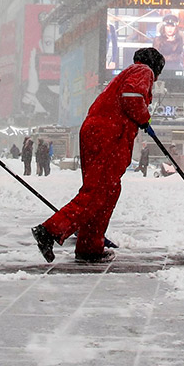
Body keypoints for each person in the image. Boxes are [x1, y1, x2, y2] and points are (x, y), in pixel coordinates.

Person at [33, 47, 163, 264]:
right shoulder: (143, 71)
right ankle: (50, 230)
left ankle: (90, 246)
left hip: (101, 132)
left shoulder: (128, 73)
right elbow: (131, 96)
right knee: (98, 192)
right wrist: (144, 118)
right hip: (107, 134)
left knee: (108, 191)